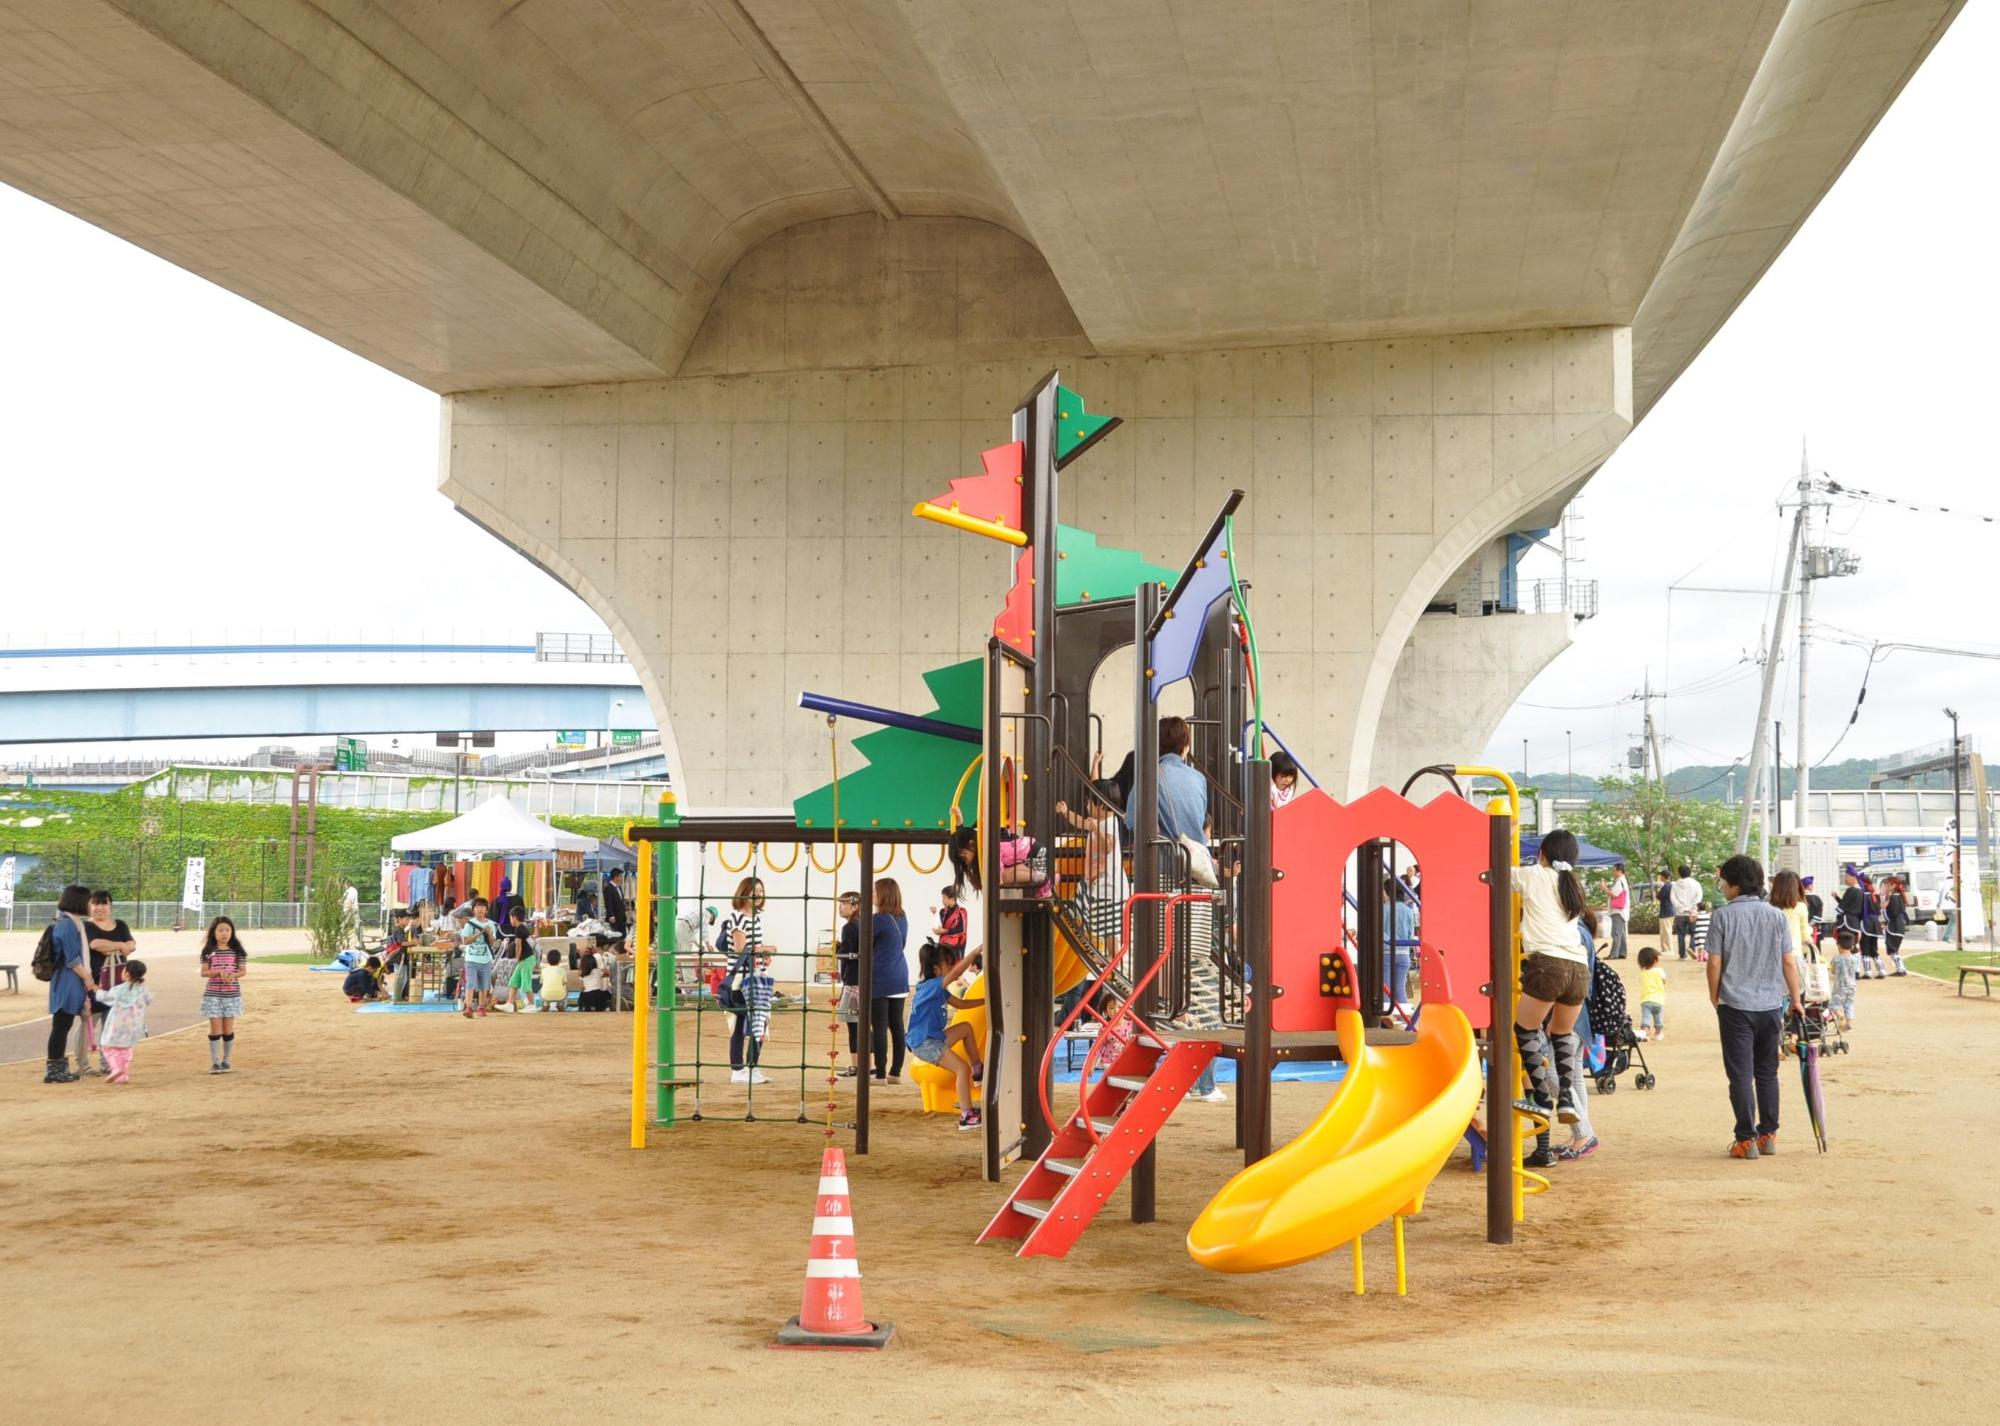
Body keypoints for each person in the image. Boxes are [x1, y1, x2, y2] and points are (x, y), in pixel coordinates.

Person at [1707, 854, 1805, 1160]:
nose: (1721, 885)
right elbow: (1788, 961)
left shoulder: (1722, 916)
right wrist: (1796, 999)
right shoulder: (1776, 916)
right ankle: (1768, 1135)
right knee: (1767, 1072)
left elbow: (1713, 962)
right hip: (1769, 1005)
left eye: (1723, 880)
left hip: (1735, 1005)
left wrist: (1715, 996)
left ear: (1735, 884)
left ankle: (1745, 1139)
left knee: (1740, 1075)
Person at [1509, 829, 1596, 1128]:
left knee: (1524, 1029)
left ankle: (1542, 1099)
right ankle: (1567, 1098)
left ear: (1542, 853)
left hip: (1548, 964)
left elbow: (1494, 874)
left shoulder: (1535, 875)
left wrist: (1504, 839)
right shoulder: (1573, 885)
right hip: (1578, 969)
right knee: (1560, 1035)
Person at [907, 942, 986, 1130]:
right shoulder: (932, 986)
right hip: (924, 1042)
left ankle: (977, 1070)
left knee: (966, 1028)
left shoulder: (938, 990)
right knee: (961, 1070)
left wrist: (986, 1001)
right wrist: (975, 953)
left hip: (933, 1037)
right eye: (948, 964)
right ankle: (966, 1116)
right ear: (935, 969)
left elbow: (962, 1005)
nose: (951, 968)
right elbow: (957, 973)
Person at [718, 877, 778, 1083]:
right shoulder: (738, 918)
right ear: (743, 892)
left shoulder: (755, 918)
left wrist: (763, 957)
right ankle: (739, 1069)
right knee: (744, 1022)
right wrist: (766, 949)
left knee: (758, 1022)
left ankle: (750, 1067)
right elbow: (740, 948)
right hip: (741, 980)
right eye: (754, 890)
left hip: (756, 976)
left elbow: (751, 949)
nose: (759, 894)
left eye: (761, 890)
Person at [78, 890, 136, 1077]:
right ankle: (82, 1064)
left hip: (118, 985)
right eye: (95, 904)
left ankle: (107, 1062)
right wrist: (120, 945)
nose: (99, 908)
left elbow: (132, 944)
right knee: (87, 1024)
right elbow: (96, 945)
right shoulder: (86, 926)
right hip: (94, 984)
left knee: (112, 1025)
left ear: (110, 905)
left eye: (104, 903)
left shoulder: (120, 925)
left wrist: (122, 946)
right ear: (89, 906)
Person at [42, 885, 95, 1084]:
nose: (90, 905)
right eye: (88, 901)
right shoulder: (67, 925)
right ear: (78, 901)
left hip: (70, 980)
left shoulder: (71, 922)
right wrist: (87, 979)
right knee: (61, 1024)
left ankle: (58, 1067)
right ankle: (54, 1068)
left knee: (63, 1024)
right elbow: (72, 959)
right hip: (67, 980)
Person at [869, 877, 911, 1083]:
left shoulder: (877, 919)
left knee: (879, 1026)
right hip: (900, 975)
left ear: (883, 895)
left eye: (875, 892)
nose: (872, 895)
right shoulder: (902, 917)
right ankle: (896, 1073)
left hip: (881, 977)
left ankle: (879, 1074)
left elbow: (863, 944)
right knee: (897, 1026)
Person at [93, 959, 152, 1085]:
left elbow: (105, 997)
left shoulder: (118, 989)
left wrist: (97, 990)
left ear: (127, 974)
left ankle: (116, 1068)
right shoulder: (144, 990)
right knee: (126, 1049)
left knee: (109, 1047)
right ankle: (123, 1075)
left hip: (116, 1025)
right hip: (135, 1026)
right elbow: (149, 999)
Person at [199, 916, 247, 1074]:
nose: (224, 933)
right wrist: (218, 973)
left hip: (231, 994)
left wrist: (232, 976)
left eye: (227, 930)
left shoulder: (238, 952)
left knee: (227, 1030)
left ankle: (226, 1060)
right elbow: (204, 972)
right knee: (215, 1029)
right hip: (213, 994)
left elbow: (242, 971)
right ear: (214, 932)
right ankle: (215, 1062)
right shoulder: (208, 952)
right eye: (220, 930)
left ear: (232, 932)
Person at [834, 891, 863, 1076]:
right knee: (863, 1025)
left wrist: (837, 949)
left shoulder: (850, 927)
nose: (840, 907)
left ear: (855, 906)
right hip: (862, 980)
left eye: (844, 904)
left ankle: (856, 1066)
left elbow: (846, 954)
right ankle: (868, 1065)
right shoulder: (862, 925)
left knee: (854, 1025)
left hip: (852, 981)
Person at [457, 898, 500, 1018]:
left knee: (484, 984)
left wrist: (490, 933)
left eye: (482, 907)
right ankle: (469, 1007)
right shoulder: (469, 924)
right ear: (473, 910)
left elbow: (492, 941)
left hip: (485, 959)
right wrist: (479, 933)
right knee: (470, 983)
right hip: (471, 959)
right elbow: (466, 941)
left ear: (486, 910)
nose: (480, 909)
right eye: (477, 907)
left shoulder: (491, 924)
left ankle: (481, 1006)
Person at [1381, 875, 1416, 1021]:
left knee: (1386, 989)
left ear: (1387, 892)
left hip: (1386, 953)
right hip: (1403, 954)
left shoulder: (1382, 909)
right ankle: (1404, 1019)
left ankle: (1388, 1019)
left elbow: (1380, 931)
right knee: (1400, 987)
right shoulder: (1408, 911)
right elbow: (1410, 934)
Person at [1828, 927, 1860, 1028]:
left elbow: (1832, 971)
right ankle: (1849, 1024)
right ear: (1852, 946)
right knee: (1849, 1005)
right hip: (1852, 986)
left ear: (1838, 945)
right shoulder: (1855, 959)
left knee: (1833, 1004)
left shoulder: (1836, 959)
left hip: (1839, 986)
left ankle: (1840, 1015)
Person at [1670, 864, 1703, 959]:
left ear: (1679, 873)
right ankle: (1692, 948)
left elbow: (1673, 898)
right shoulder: (1696, 884)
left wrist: (1680, 907)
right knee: (1693, 932)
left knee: (1681, 934)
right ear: (1690, 872)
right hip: (1692, 913)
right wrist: (1691, 906)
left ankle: (1682, 954)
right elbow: (1699, 897)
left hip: (1680, 913)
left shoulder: (1675, 884)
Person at [1637, 947, 1666, 1041]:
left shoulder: (1642, 973)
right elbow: (1664, 980)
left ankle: (1645, 1032)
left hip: (1645, 1000)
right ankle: (1658, 1033)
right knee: (1658, 1018)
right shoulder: (1660, 971)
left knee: (1646, 1017)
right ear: (1655, 960)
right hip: (1658, 999)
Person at [1883, 876, 1910, 975]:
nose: (1885, 887)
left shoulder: (1894, 897)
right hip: (1898, 925)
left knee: (1892, 949)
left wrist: (1884, 914)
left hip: (1895, 926)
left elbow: (1893, 913)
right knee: (1893, 949)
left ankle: (1901, 969)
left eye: (1886, 885)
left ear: (1893, 885)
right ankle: (1900, 968)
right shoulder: (1898, 896)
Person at [1605, 862, 1630, 960]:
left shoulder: (1620, 881)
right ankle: (1622, 952)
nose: (1613, 873)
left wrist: (1604, 888)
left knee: (1616, 933)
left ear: (1619, 871)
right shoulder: (1623, 881)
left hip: (1618, 911)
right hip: (1622, 910)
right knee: (1621, 933)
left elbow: (1614, 894)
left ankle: (1614, 954)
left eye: (1614, 870)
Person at [602, 868, 630, 937]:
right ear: (616, 877)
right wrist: (611, 916)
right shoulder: (608, 888)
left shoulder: (619, 887)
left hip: (622, 918)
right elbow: (608, 903)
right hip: (615, 919)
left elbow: (620, 901)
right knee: (616, 938)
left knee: (623, 937)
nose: (621, 878)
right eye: (620, 876)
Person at [1654, 870, 1675, 955]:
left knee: (1666, 931)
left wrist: (1657, 890)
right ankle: (1665, 948)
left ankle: (1668, 949)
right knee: (1664, 931)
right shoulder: (1669, 885)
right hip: (1668, 910)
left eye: (1661, 876)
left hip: (1667, 911)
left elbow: (1660, 896)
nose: (1660, 877)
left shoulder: (1667, 886)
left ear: (1663, 877)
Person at [340, 880, 361, 951]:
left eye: (345, 884)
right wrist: (340, 901)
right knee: (350, 923)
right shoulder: (347, 891)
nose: (344, 886)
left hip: (351, 909)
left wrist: (348, 907)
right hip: (350, 909)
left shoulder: (352, 890)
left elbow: (350, 900)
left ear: (348, 884)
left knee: (348, 923)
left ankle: (357, 941)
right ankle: (357, 940)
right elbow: (343, 898)